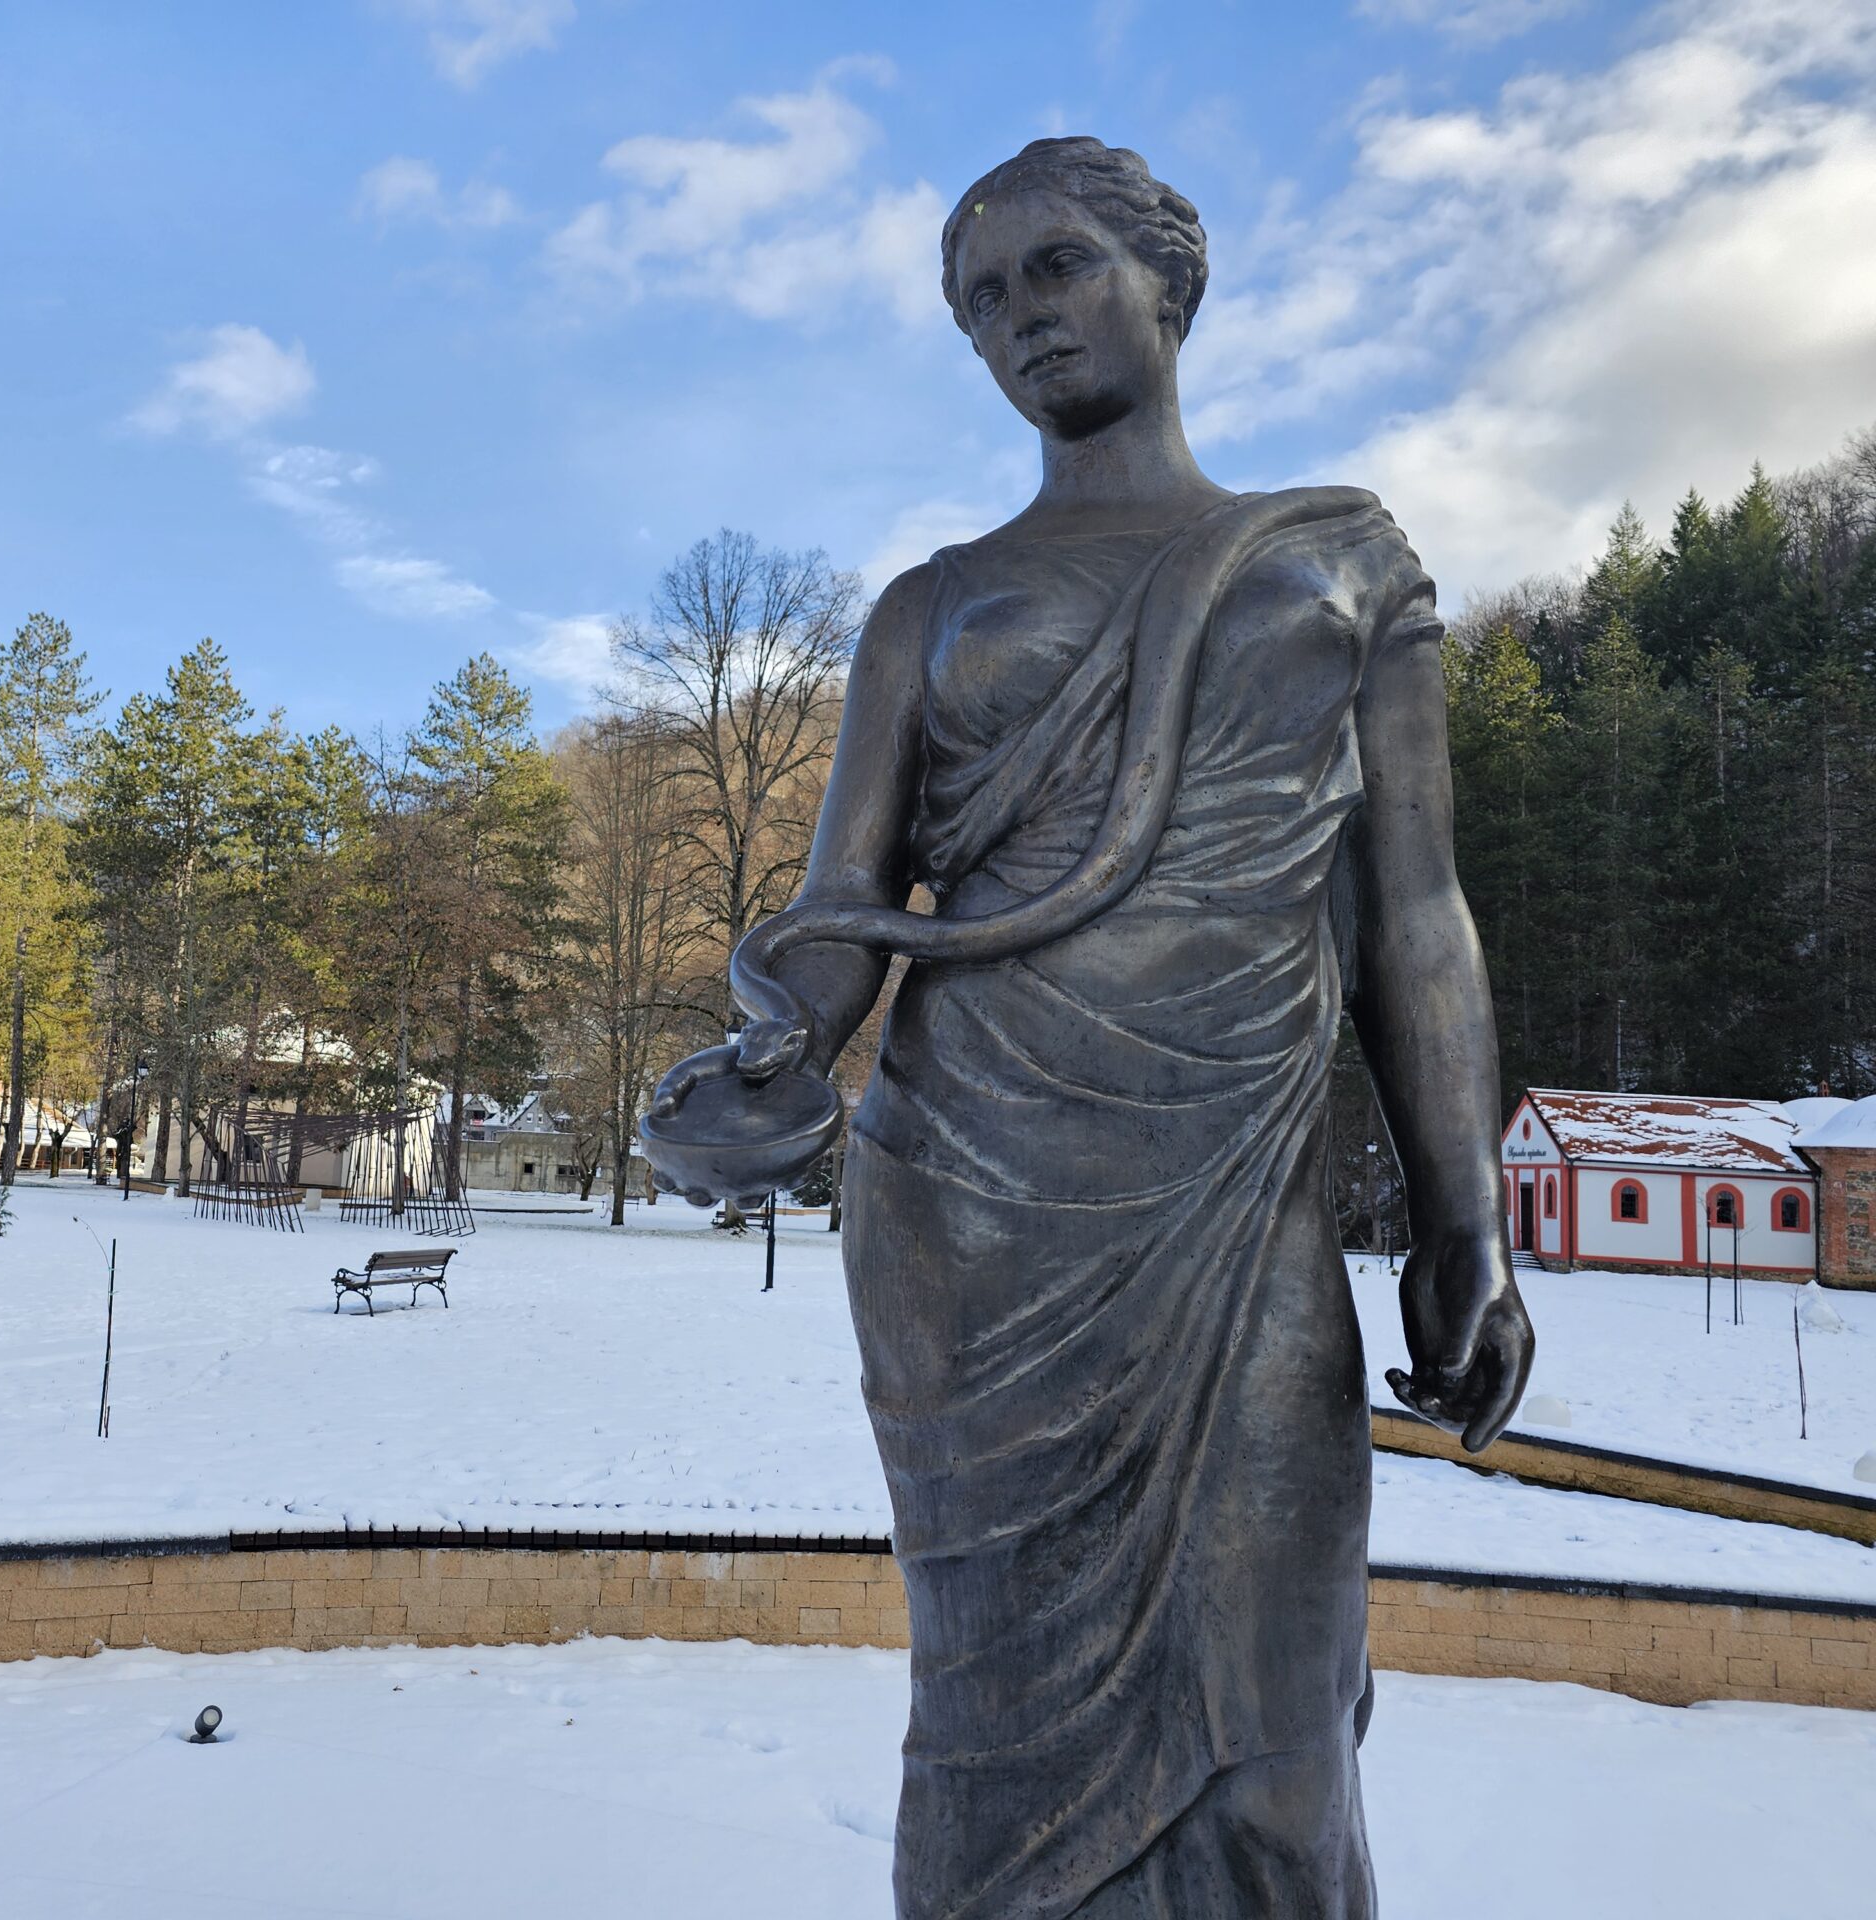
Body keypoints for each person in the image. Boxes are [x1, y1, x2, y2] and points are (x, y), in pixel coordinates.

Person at [644, 137, 1533, 1918]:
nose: (1019, 322)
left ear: (1166, 277)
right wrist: (756, 1070)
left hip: (1237, 1193)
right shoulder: (931, 604)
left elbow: (1413, 916)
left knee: (1281, 1725)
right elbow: (842, 920)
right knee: (995, 1716)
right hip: (969, 1204)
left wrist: (1465, 1221)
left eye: (1052, 270)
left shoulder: (1338, 565)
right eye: (981, 303)